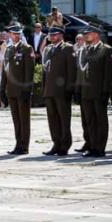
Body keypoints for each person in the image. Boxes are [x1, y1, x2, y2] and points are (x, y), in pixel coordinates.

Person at [76, 26, 112, 157]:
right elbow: (81, 71)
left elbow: (108, 72)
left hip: (99, 91)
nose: (86, 36)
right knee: (90, 120)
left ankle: (100, 147)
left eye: (88, 33)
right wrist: (79, 88)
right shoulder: (85, 50)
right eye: (85, 34)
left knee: (100, 120)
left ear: (96, 34)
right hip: (86, 91)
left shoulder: (105, 49)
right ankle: (92, 146)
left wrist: (106, 90)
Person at [41, 26, 76, 157]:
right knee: (53, 119)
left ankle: (65, 145)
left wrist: (69, 89)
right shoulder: (48, 49)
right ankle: (56, 143)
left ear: (61, 35)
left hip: (62, 91)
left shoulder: (67, 48)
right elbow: (45, 71)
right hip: (49, 90)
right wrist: (44, 89)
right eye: (50, 35)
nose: (52, 37)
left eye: (54, 35)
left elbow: (71, 71)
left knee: (64, 119)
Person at [1, 24, 34, 155]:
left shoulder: (26, 48)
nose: (16, 36)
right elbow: (5, 70)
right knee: (16, 119)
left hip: (21, 90)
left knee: (24, 119)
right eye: (14, 34)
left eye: (18, 33)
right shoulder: (8, 49)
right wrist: (2, 88)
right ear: (10, 34)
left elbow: (29, 71)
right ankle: (17, 143)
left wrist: (27, 89)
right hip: (11, 89)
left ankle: (24, 145)